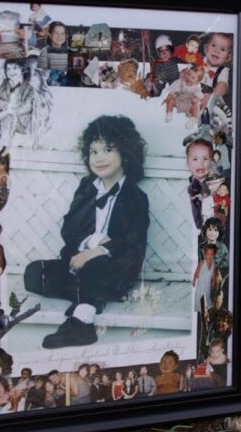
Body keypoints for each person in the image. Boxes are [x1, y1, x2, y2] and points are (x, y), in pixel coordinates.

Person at [24, 115, 150, 349]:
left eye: (108, 150)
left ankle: (81, 324)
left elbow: (131, 243)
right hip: (80, 263)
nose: (99, 158)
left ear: (126, 153)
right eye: (93, 152)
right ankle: (93, 295)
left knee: (95, 266)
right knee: (33, 273)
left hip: (114, 268)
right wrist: (92, 241)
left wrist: (98, 250)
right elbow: (69, 230)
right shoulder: (86, 188)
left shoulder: (135, 197)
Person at [193, 244, 221, 360]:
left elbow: (213, 280)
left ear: (214, 255)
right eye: (207, 254)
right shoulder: (201, 264)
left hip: (208, 297)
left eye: (211, 254)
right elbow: (195, 276)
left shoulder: (214, 266)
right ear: (205, 254)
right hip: (201, 297)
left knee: (209, 324)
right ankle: (202, 353)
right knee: (205, 325)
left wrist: (215, 283)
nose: (209, 256)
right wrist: (194, 281)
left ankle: (206, 349)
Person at [185, 138, 213, 229]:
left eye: (205, 158)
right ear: (188, 163)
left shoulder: (214, 183)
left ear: (212, 162)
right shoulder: (192, 185)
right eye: (195, 159)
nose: (200, 163)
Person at [200, 33, 233, 105]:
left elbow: (222, 86)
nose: (216, 51)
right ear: (205, 48)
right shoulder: (198, 60)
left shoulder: (223, 70)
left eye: (222, 49)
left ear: (228, 58)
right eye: (213, 45)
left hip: (207, 100)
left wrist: (212, 97)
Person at [38, 21, 70, 86]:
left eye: (62, 33)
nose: (59, 36)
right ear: (50, 35)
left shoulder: (67, 51)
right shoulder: (45, 52)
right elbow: (41, 75)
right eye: (56, 33)